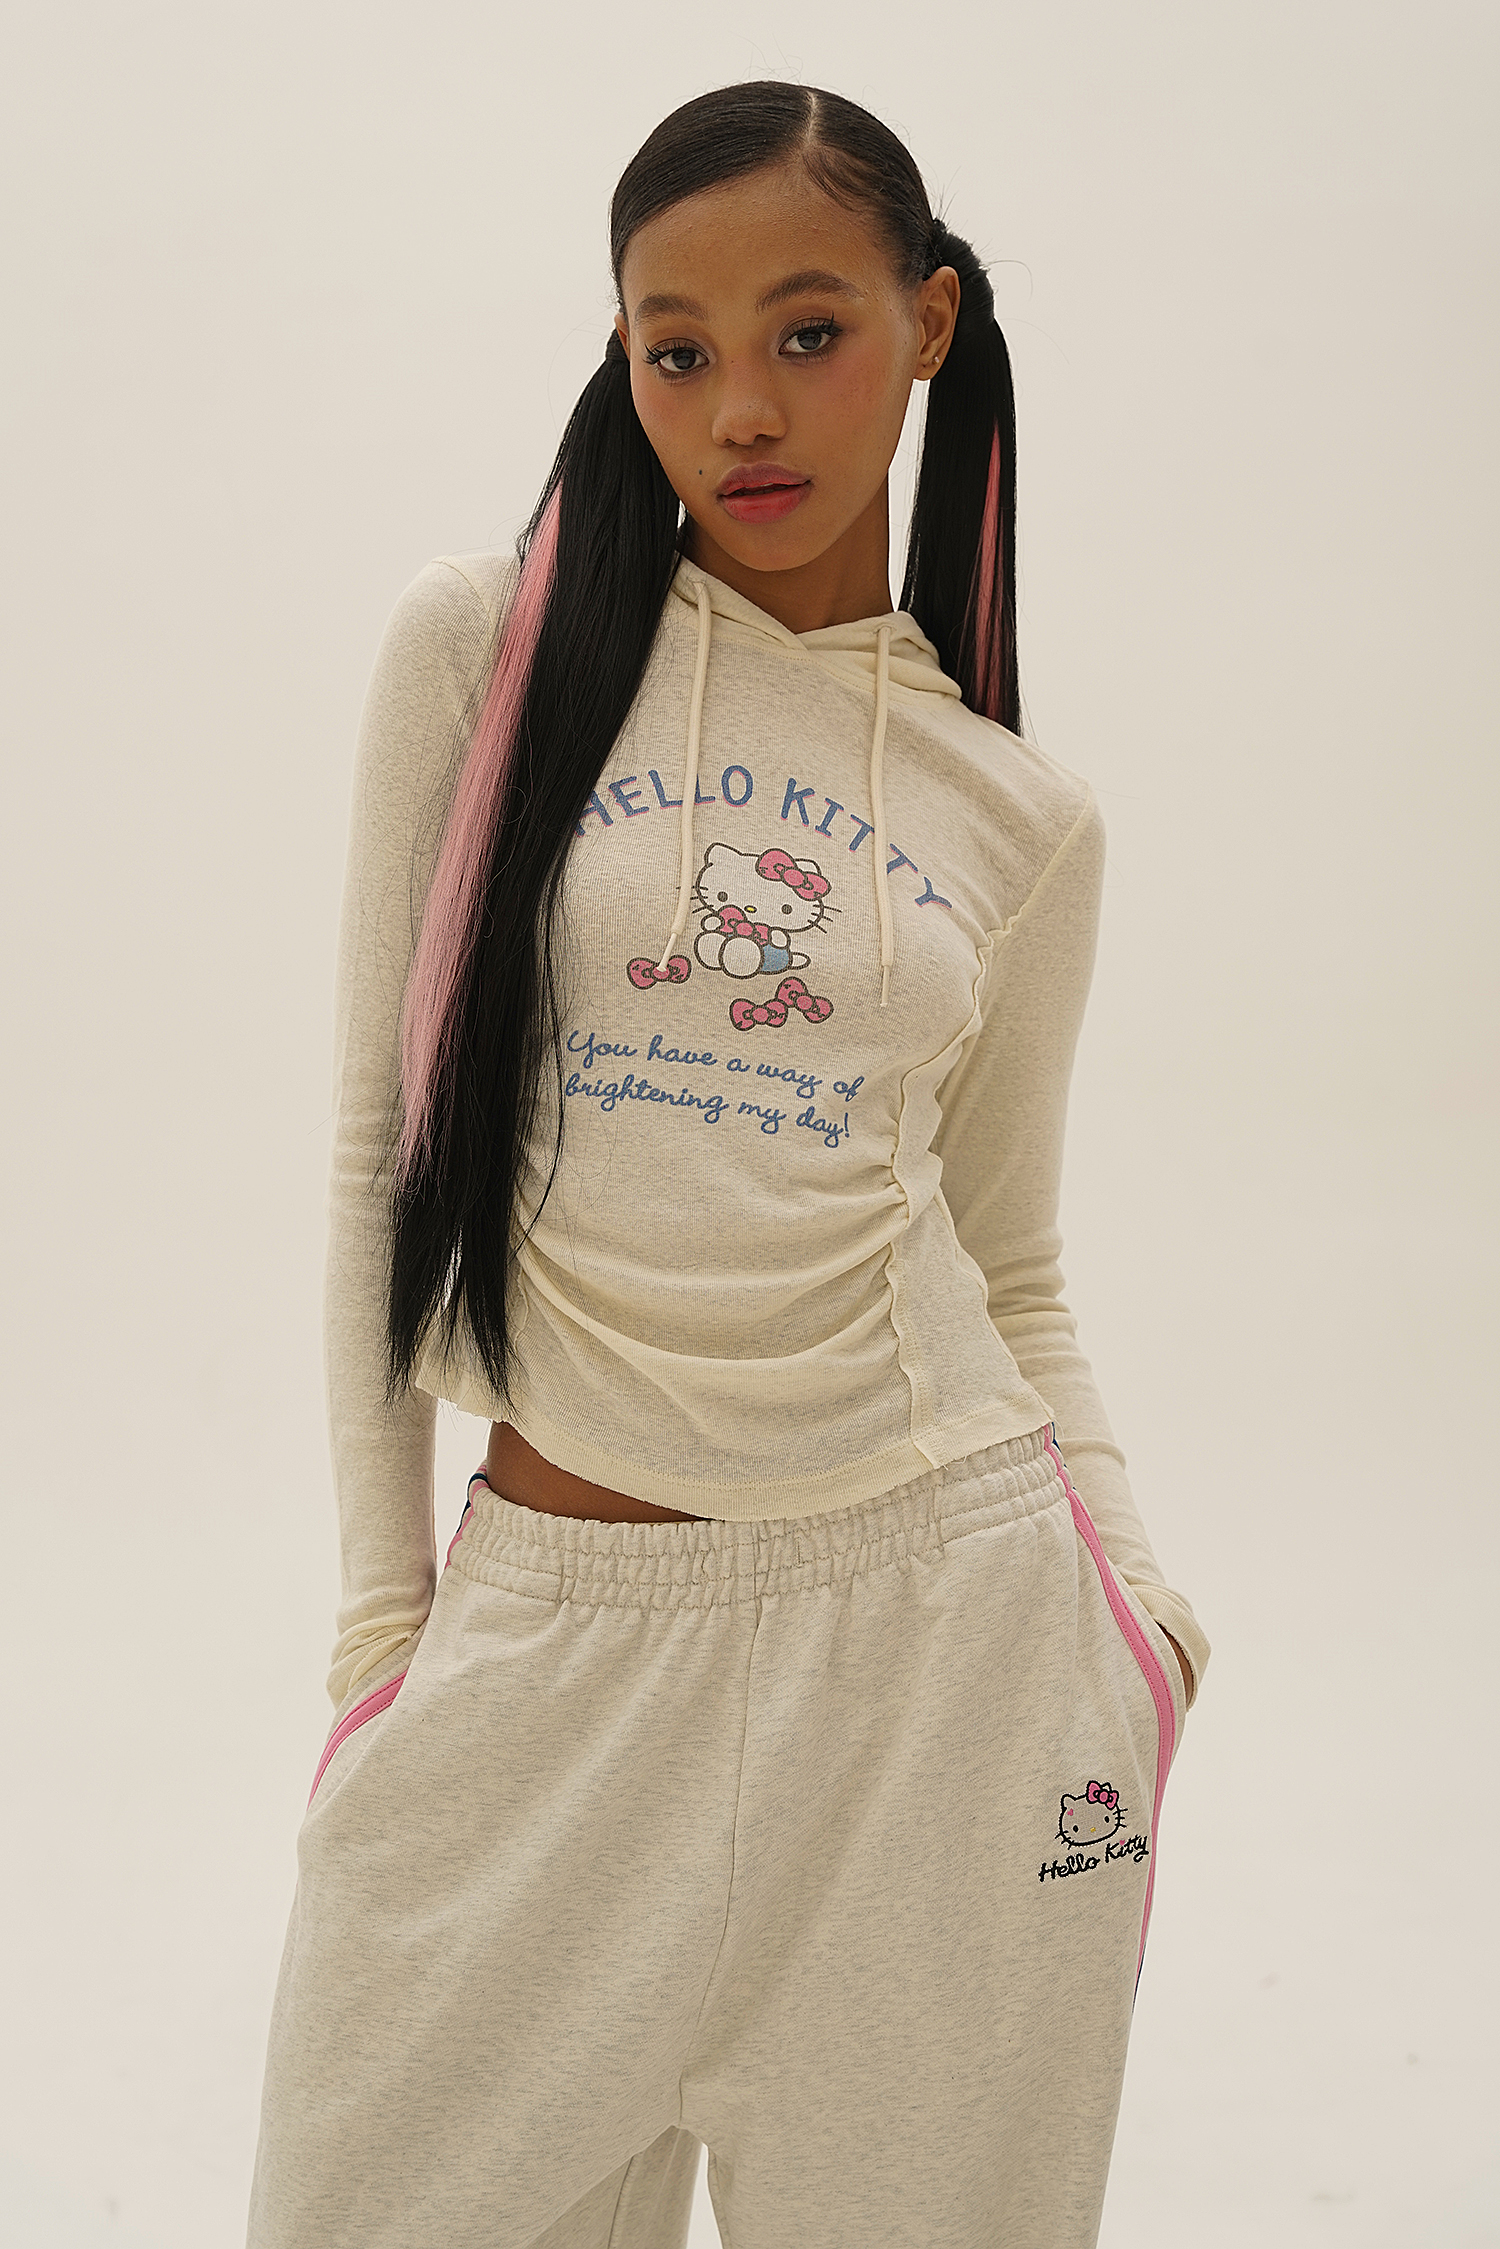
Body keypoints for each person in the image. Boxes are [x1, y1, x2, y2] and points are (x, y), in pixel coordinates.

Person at [246, 78, 1210, 2249]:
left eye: (808, 331)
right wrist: (384, 1640)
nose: (740, 409)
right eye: (674, 350)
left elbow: (1013, 1263)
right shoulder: (486, 655)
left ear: (929, 322)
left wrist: (1141, 1623)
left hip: (943, 1656)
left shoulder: (1018, 816)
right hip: (549, 1642)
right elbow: (377, 1156)